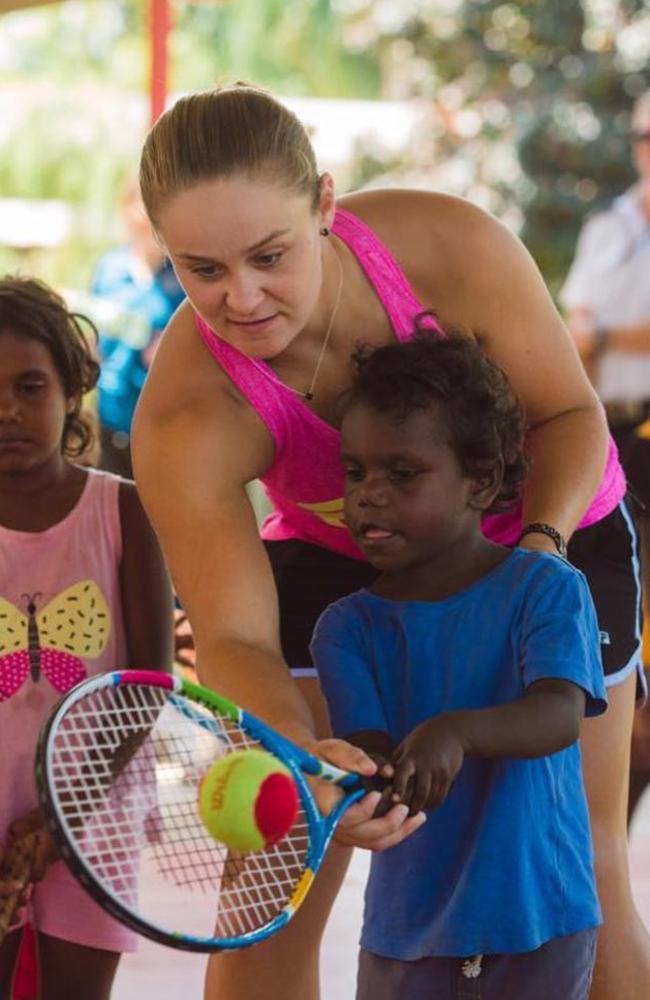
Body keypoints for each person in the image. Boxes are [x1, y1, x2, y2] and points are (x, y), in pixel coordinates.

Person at [131, 83, 649, 1000]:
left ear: (325, 204)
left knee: (580, 860)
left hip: (549, 523)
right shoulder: (185, 412)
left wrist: (537, 553)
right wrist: (306, 756)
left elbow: (571, 414)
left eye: (270, 255)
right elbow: (239, 639)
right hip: (346, 557)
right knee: (272, 874)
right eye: (200, 269)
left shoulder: (446, 244)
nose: (241, 298)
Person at [310, 330, 605, 1000]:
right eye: (356, 473)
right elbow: (371, 753)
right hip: (407, 934)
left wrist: (456, 732)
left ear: (482, 480)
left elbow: (559, 715)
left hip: (541, 919)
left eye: (402, 473)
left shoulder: (547, 588)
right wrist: (357, 778)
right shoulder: (345, 629)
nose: (370, 495)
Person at [0, 276, 174, 1000]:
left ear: (71, 391)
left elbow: (149, 685)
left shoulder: (126, 511)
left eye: (31, 386)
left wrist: (60, 812)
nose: (7, 409)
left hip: (95, 813)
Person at [561, 88, 650, 826]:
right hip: (613, 432)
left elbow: (597, 331)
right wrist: (615, 333)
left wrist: (603, 333)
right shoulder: (610, 227)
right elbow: (575, 330)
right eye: (646, 134)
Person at [91, 175, 184, 477]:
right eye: (138, 205)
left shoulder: (184, 275)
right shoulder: (110, 267)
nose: (145, 216)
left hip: (166, 420)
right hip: (111, 417)